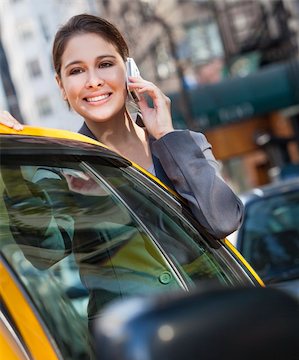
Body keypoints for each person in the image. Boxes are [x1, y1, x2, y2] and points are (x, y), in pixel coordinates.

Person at [1, 14, 244, 327]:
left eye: (104, 64)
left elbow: (223, 220)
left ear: (129, 70)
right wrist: (13, 161)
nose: (93, 81)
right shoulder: (60, 168)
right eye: (76, 71)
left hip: (219, 324)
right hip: (137, 345)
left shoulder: (183, 145)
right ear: (62, 86)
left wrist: (167, 135)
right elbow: (43, 254)